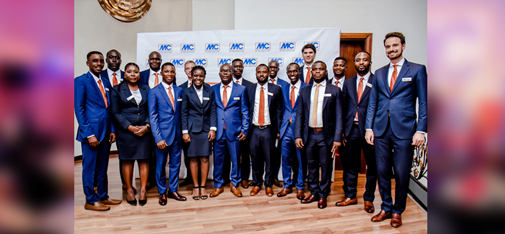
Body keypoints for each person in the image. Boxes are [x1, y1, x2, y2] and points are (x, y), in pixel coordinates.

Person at [365, 32, 427, 228]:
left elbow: (424, 103)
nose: (391, 49)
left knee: (401, 173)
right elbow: (372, 103)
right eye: (388, 46)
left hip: (405, 130)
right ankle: (385, 207)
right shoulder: (380, 72)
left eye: (395, 45)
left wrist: (421, 130)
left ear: (403, 46)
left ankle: (398, 210)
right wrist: (369, 127)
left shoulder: (417, 70)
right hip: (381, 129)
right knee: (382, 171)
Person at [74, 51, 122, 211]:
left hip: (106, 131)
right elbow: (79, 109)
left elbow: (109, 108)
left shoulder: (106, 82)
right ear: (88, 63)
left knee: (103, 166)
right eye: (95, 61)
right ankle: (90, 200)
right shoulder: (81, 81)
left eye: (101, 61)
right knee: (89, 167)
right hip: (91, 133)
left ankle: (103, 196)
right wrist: (89, 134)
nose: (99, 64)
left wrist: (112, 129)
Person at [295, 61, 343, 209]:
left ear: (325, 71)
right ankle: (314, 192)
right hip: (309, 134)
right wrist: (298, 135)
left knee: (326, 166)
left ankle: (323, 195)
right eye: (314, 69)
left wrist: (337, 138)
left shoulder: (334, 90)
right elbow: (300, 114)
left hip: (325, 136)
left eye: (320, 69)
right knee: (312, 166)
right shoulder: (304, 91)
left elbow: (339, 116)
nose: (317, 71)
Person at [337, 51, 377, 213]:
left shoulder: (377, 81)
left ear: (369, 62)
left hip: (370, 131)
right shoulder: (348, 82)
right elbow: (343, 107)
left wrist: (374, 129)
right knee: (350, 165)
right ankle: (351, 195)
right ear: (354, 63)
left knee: (372, 167)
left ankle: (369, 199)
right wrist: (342, 131)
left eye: (364, 60)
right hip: (350, 129)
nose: (361, 62)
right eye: (358, 60)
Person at [110, 62, 152, 206]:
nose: (133, 74)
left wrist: (147, 126)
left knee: (144, 160)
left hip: (144, 131)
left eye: (136, 72)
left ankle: (143, 191)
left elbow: (151, 109)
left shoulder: (146, 89)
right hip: (126, 132)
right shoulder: (117, 90)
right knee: (127, 161)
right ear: (125, 74)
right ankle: (128, 190)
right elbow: (115, 112)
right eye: (129, 72)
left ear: (139, 74)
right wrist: (130, 127)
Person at [148, 62, 187, 205]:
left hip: (177, 135)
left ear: (175, 73)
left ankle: (173, 190)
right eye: (167, 71)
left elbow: (182, 113)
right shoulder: (154, 92)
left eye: (172, 71)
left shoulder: (179, 91)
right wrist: (158, 137)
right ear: (162, 73)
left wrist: (183, 132)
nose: (169, 74)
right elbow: (153, 117)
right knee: (160, 165)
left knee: (175, 164)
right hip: (162, 137)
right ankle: (162, 192)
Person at [210, 63, 249, 198]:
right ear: (219, 73)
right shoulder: (213, 89)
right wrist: (212, 129)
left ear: (232, 73)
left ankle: (235, 184)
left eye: (228, 71)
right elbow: (211, 111)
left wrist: (245, 129)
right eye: (223, 71)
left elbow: (245, 111)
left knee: (236, 160)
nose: (225, 73)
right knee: (218, 161)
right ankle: (218, 185)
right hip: (219, 132)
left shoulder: (241, 89)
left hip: (235, 131)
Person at [246, 64, 283, 197]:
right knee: (255, 158)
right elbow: (246, 110)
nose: (262, 74)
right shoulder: (249, 89)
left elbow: (279, 111)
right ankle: (256, 184)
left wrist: (278, 129)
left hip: (269, 130)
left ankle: (268, 185)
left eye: (264, 72)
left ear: (269, 73)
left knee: (269, 159)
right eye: (259, 72)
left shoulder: (276, 89)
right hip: (254, 130)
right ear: (256, 73)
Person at [181, 66, 217, 200]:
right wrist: (185, 131)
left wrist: (213, 128)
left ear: (204, 77)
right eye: (195, 75)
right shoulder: (186, 92)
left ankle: (203, 187)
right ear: (191, 76)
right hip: (192, 130)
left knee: (205, 158)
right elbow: (183, 112)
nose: (198, 78)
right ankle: (195, 187)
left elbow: (213, 110)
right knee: (193, 158)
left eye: (201, 76)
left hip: (206, 130)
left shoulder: (210, 90)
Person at [99, 49, 131, 194]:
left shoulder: (128, 75)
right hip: (104, 122)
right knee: (101, 157)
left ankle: (126, 184)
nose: (114, 60)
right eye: (111, 57)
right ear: (106, 60)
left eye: (117, 57)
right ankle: (97, 186)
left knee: (124, 155)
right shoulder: (101, 76)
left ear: (120, 60)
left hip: (125, 123)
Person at [278, 63, 310, 199]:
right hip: (286, 129)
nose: (292, 74)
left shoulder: (307, 88)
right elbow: (280, 109)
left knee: (301, 159)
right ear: (287, 73)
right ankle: (287, 185)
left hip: (300, 130)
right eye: (290, 71)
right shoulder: (283, 87)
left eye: (295, 71)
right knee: (285, 158)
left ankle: (300, 187)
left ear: (299, 72)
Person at [231, 58, 255, 189]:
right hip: (230, 126)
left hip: (245, 126)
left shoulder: (250, 85)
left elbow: (250, 108)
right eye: (236, 66)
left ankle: (244, 178)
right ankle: (225, 177)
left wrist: (246, 127)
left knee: (245, 153)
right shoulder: (226, 83)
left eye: (240, 66)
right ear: (232, 68)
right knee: (229, 154)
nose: (238, 68)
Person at [267, 60, 288, 188]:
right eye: (271, 67)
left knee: (276, 152)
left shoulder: (284, 85)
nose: (273, 69)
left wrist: (281, 126)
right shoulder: (261, 84)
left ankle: (274, 176)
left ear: (278, 69)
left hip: (278, 124)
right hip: (263, 125)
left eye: (275, 67)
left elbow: (284, 106)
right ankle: (264, 178)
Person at [179, 60, 197, 187]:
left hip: (200, 127)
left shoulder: (206, 87)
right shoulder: (181, 88)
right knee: (187, 154)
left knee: (200, 155)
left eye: (192, 68)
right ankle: (190, 177)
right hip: (186, 128)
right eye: (188, 68)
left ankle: (199, 178)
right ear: (185, 71)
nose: (190, 71)